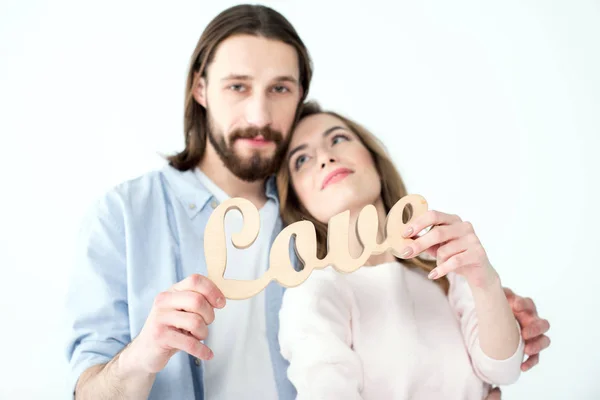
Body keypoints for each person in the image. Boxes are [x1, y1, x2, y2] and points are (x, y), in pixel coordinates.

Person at [64, 4, 550, 400]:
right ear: (200, 88)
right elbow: (89, 392)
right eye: (238, 87)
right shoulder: (124, 216)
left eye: (280, 89)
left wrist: (495, 312)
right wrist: (143, 353)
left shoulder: (324, 215)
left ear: (299, 97)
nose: (259, 113)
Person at [276, 101, 531, 399]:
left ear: (374, 161)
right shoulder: (315, 291)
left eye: (338, 139)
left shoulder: (441, 261)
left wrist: (485, 282)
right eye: (301, 160)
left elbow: (502, 369)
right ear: (298, 202)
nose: (325, 157)